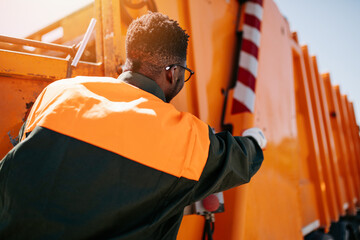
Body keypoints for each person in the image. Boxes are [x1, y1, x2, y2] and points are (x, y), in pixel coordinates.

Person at [0, 12, 266, 239]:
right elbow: (240, 159)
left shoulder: (58, 93)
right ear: (172, 72)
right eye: (184, 73)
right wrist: (256, 139)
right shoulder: (184, 137)